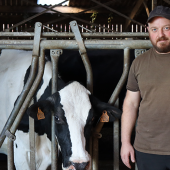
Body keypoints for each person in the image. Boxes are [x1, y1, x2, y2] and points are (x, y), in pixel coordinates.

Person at [121, 6, 170, 170]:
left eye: (167, 28)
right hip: (148, 149)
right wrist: (125, 142)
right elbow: (131, 104)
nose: (161, 34)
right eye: (154, 29)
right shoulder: (139, 63)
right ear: (148, 31)